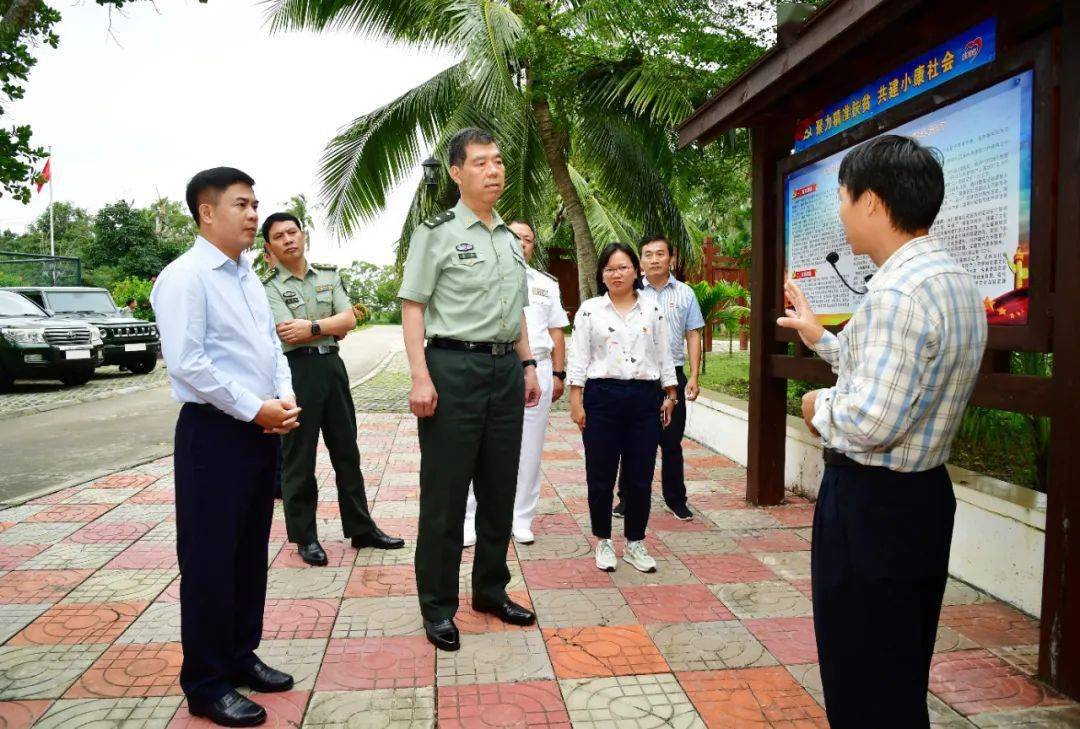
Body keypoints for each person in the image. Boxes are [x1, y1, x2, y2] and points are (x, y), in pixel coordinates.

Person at [777, 135, 987, 728]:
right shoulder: (951, 281)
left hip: (871, 509)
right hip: (921, 500)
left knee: (861, 676)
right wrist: (822, 339)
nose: (840, 212)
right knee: (898, 669)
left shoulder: (896, 292)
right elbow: (897, 375)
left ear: (871, 202)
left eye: (842, 197)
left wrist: (817, 406)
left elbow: (871, 420)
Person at [151, 167, 299, 727]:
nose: (254, 213)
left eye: (256, 203)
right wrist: (252, 405)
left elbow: (270, 350)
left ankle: (240, 654)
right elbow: (189, 364)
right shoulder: (186, 277)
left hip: (259, 428)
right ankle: (207, 682)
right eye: (242, 204)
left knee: (246, 553)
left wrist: (281, 400)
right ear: (206, 211)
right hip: (213, 433)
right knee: (210, 559)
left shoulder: (247, 278)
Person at [399, 127, 542, 652]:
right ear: (457, 173)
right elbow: (413, 306)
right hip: (452, 368)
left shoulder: (509, 239)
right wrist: (420, 376)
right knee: (445, 494)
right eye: (480, 162)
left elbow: (518, 311)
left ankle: (489, 590)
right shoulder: (434, 233)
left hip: (505, 371)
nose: (494, 169)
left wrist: (527, 364)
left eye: (498, 160)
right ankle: (437, 606)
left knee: (499, 488)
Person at [262, 212, 404, 566]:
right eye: (279, 236)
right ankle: (305, 537)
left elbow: (350, 318)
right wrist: (328, 325)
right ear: (269, 248)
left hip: (332, 367)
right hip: (296, 372)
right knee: (299, 457)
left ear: (304, 235)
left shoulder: (329, 275)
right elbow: (286, 331)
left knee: (346, 451)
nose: (288, 239)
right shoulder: (268, 288)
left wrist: (312, 326)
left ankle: (361, 528)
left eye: (293, 232)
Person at [568, 243, 677, 574]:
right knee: (600, 474)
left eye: (623, 267)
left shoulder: (652, 309)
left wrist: (670, 394)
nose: (616, 274)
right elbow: (579, 358)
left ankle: (634, 542)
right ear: (602, 274)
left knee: (640, 475)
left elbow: (664, 353)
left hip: (644, 398)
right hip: (602, 397)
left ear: (636, 270)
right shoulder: (590, 310)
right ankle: (603, 540)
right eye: (610, 269)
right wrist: (576, 400)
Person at [463, 220, 569, 547]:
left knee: (530, 450)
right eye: (516, 237)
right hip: (495, 363)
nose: (522, 243)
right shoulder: (481, 276)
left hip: (539, 367)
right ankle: (471, 518)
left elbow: (556, 333)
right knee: (478, 446)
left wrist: (558, 374)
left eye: (528, 239)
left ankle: (521, 518)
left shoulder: (545, 284)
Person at [614, 235, 705, 521]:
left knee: (671, 442)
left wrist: (692, 376)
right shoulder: (630, 292)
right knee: (632, 442)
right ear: (640, 261)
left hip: (673, 377)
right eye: (648, 255)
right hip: (637, 376)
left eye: (660, 254)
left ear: (671, 258)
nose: (654, 259)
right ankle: (626, 500)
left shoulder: (685, 294)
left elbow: (693, 334)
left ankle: (675, 499)